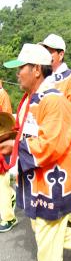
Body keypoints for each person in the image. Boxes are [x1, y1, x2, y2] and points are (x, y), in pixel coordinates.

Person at [1, 44, 71, 261]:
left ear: (36, 70)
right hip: (37, 176)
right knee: (41, 228)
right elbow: (29, 133)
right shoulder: (30, 98)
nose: (17, 73)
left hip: (52, 178)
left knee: (45, 228)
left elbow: (50, 144)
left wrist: (15, 147)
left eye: (21, 68)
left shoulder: (52, 100)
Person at [40, 34, 71, 230]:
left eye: (49, 51)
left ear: (60, 55)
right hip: (44, 142)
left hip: (64, 143)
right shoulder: (43, 77)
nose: (45, 54)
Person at [0, 83, 15, 232]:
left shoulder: (2, 95)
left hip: (1, 142)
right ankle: (11, 196)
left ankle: (8, 217)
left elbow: (6, 122)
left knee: (1, 181)